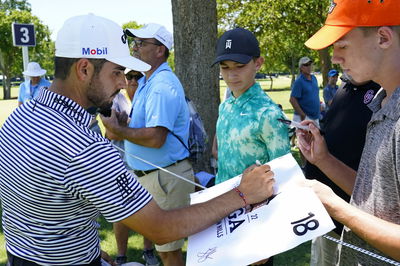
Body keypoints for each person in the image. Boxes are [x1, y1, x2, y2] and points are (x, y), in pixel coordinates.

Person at [0, 14, 275, 265]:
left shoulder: (21, 117)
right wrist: (242, 193)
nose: (123, 83)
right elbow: (161, 227)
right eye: (116, 72)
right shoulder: (83, 146)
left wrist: (88, 250)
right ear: (84, 70)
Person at [297, 0, 400, 264]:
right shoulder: (382, 100)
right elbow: (376, 200)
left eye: (342, 45)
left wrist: (336, 207)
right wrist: (324, 160)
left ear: (383, 37)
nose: (335, 58)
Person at [101, 23, 192, 266]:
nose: (135, 48)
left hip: (166, 178)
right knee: (165, 250)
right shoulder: (147, 83)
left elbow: (155, 137)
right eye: (135, 43)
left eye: (141, 43)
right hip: (156, 177)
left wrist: (120, 130)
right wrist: (124, 122)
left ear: (160, 50)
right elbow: (145, 126)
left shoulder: (162, 86)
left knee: (169, 252)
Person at [211, 27, 291, 266]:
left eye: (239, 66)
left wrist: (267, 239)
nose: (231, 75)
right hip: (223, 215)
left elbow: (283, 178)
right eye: (225, 67)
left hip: (255, 222)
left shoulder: (268, 113)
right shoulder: (225, 106)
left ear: (258, 63)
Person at [304, 76, 381, 266]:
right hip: (325, 218)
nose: (336, 57)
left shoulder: (384, 91)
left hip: (356, 227)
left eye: (344, 46)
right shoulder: (345, 86)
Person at [107, 70, 159, 266]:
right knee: (120, 211)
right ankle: (121, 255)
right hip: (120, 165)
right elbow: (111, 134)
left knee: (150, 208)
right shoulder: (116, 99)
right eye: (130, 76)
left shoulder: (148, 94)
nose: (134, 80)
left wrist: (126, 129)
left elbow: (155, 132)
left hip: (146, 164)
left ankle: (148, 250)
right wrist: (139, 132)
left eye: (139, 76)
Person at [289, 56, 320, 126]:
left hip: (315, 117)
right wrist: (302, 115)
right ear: (301, 68)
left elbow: (314, 94)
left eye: (310, 64)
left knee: (317, 136)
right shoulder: (299, 81)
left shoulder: (314, 78)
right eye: (306, 65)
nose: (309, 67)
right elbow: (292, 99)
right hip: (304, 118)